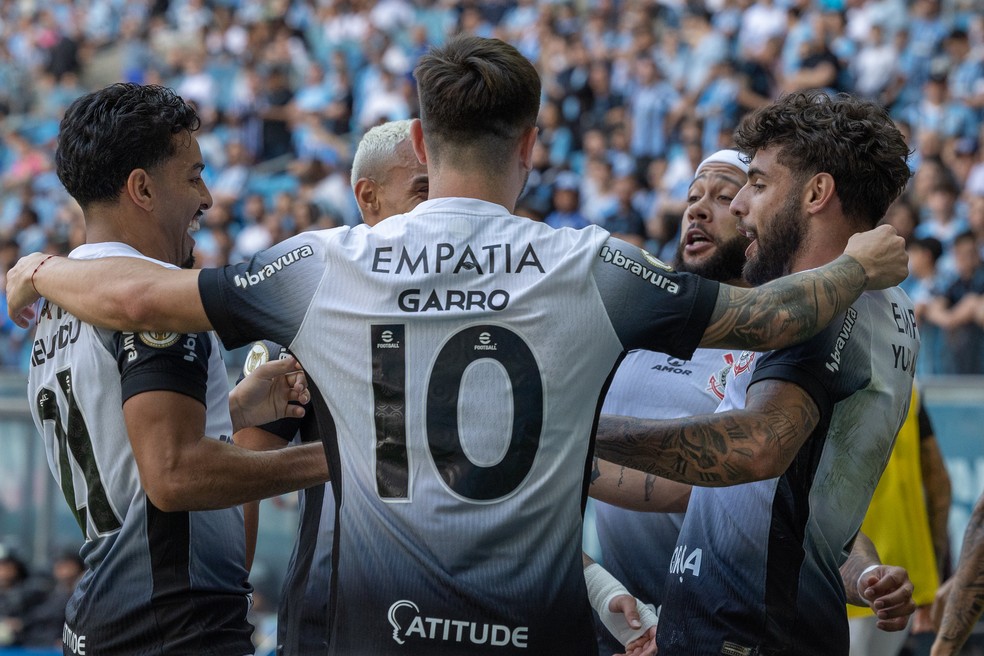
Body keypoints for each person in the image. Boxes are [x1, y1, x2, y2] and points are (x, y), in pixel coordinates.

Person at [7, 38, 908, 655]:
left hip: (365, 630)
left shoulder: (327, 262)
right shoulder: (591, 264)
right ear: (530, 145)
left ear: (427, 142)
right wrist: (858, 264)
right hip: (535, 633)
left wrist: (39, 265)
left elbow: (134, 294)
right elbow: (774, 319)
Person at [593, 90, 916, 656]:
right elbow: (797, 501)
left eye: (757, 185)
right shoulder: (887, 304)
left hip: (747, 630)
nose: (741, 206)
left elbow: (756, 448)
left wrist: (574, 432)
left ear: (817, 193)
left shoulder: (819, 307)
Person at [23, 82, 329, 655]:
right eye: (193, 176)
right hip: (170, 624)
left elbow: (127, 454)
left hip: (104, 616)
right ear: (141, 188)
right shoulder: (156, 300)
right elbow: (174, 474)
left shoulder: (57, 307)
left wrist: (229, 408)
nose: (208, 197)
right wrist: (346, 458)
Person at [848, 385, 951, 656]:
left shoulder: (817, 367)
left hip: (839, 565)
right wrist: (931, 576)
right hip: (899, 574)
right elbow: (939, 483)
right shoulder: (907, 386)